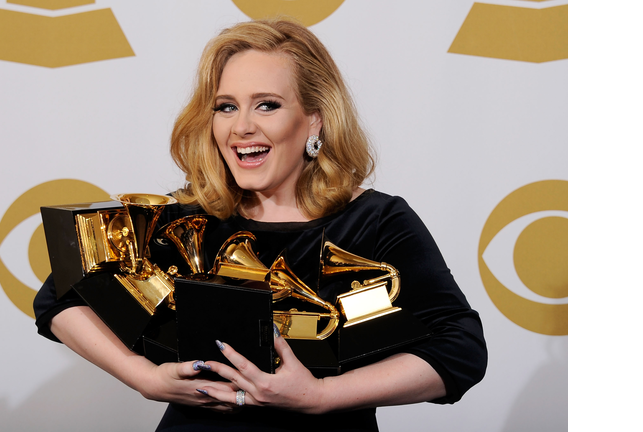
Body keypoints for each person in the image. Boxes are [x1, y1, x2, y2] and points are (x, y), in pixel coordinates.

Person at [34, 18, 487, 431]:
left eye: (267, 105)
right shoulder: (184, 216)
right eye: (226, 107)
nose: (242, 127)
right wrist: (145, 378)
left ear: (315, 119)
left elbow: (460, 349)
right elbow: (61, 293)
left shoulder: (377, 220)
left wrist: (321, 396)